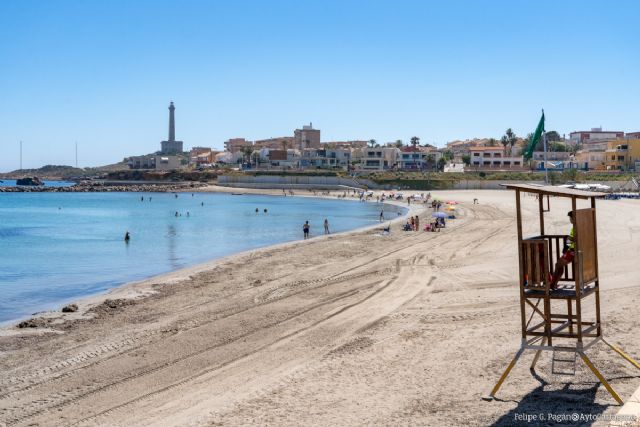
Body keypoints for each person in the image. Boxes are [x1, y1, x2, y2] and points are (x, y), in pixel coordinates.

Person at [550, 211, 576, 289]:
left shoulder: (575, 227)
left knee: (558, 265)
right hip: (573, 250)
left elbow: (571, 239)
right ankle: (554, 284)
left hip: (572, 251)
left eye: (570, 218)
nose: (570, 219)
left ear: (573, 218)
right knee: (559, 265)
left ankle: (553, 284)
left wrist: (566, 246)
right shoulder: (576, 227)